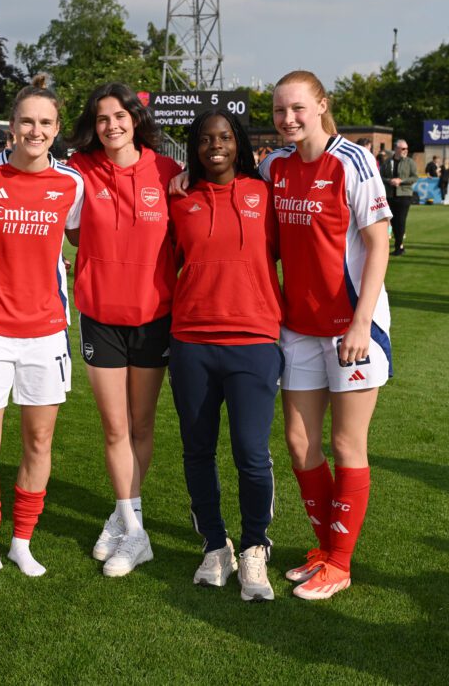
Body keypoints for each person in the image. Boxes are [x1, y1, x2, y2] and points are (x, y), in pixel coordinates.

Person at [260, 71, 393, 600]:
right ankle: (325, 549)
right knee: (299, 442)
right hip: (298, 326)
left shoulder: (353, 161)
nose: (287, 119)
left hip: (350, 327)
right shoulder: (274, 165)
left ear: (321, 106)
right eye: (278, 112)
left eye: (296, 109)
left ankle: (340, 561)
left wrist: (361, 322)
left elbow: (378, 245)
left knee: (346, 443)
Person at [0, 76, 84, 584]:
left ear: (56, 130)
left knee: (39, 443)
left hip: (46, 332)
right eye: (27, 121)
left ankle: (21, 542)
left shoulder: (72, 183)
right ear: (11, 127)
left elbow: (80, 238)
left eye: (46, 123)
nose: (36, 130)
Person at [64, 82, 181, 577]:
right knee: (114, 428)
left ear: (135, 119)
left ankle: (123, 515)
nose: (111, 125)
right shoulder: (78, 171)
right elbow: (70, 227)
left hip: (155, 316)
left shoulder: (168, 170)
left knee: (141, 424)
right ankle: (135, 532)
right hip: (99, 314)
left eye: (119, 116)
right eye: (102, 118)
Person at [168, 108, 284, 601]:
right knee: (198, 449)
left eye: (224, 138)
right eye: (204, 140)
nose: (215, 146)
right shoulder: (181, 198)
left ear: (238, 143)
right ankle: (215, 544)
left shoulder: (265, 196)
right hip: (191, 340)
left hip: (254, 341)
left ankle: (256, 546)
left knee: (251, 454)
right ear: (194, 148)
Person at [380, 139, 417, 255]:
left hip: (404, 195)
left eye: (406, 148)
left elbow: (414, 177)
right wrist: (390, 181)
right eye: (403, 148)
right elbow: (380, 177)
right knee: (392, 221)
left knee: (400, 221)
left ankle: (399, 247)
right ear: (396, 149)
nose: (406, 151)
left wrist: (401, 181)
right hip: (390, 195)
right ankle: (396, 245)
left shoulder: (410, 162)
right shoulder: (387, 162)